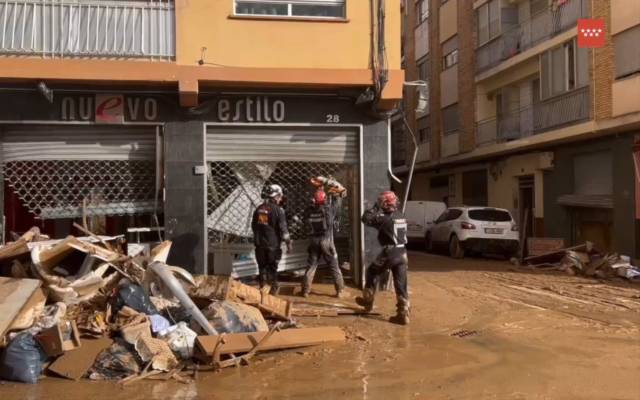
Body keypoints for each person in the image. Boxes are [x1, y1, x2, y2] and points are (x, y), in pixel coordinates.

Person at [356, 191, 410, 325]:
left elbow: (365, 218)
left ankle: (368, 301)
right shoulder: (401, 215)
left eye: (382, 202)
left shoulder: (383, 218)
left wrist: (375, 207)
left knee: (372, 271)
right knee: (401, 284)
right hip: (403, 252)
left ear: (385, 203)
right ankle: (403, 314)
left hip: (389, 252)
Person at [301, 189, 345, 298]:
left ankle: (306, 291)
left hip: (314, 241)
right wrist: (336, 193)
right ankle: (339, 290)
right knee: (334, 266)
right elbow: (337, 204)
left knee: (311, 266)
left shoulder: (308, 211)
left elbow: (305, 215)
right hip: (327, 241)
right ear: (324, 200)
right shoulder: (328, 210)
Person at [251, 184, 292, 295]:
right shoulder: (279, 210)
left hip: (260, 245)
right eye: (280, 196)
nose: (280, 199)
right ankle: (272, 294)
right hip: (272, 245)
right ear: (277, 196)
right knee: (272, 269)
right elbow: (284, 230)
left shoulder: (259, 209)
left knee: (262, 268)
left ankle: (262, 290)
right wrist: (288, 244)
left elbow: (254, 226)